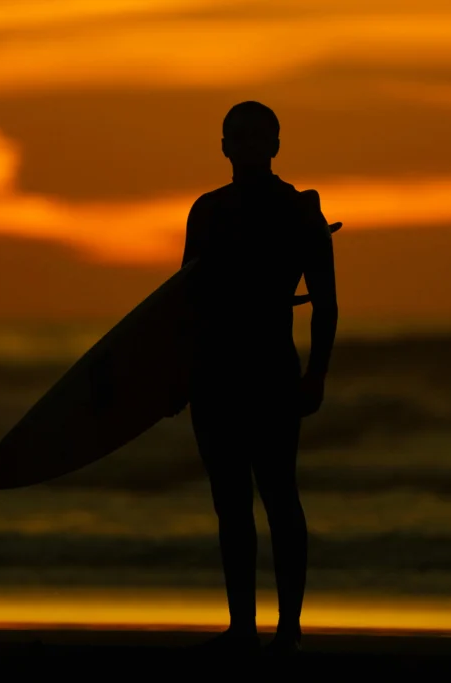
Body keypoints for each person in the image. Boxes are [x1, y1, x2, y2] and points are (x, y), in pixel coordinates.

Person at [171, 101, 339, 655]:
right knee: (230, 504)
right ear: (223, 146)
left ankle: (288, 628)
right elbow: (184, 302)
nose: (244, 144)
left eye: (255, 135)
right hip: (214, 374)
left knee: (279, 496)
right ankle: (243, 626)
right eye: (235, 136)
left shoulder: (300, 213)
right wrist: (174, 376)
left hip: (271, 371)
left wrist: (316, 374)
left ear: (275, 144)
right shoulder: (207, 211)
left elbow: (327, 305)